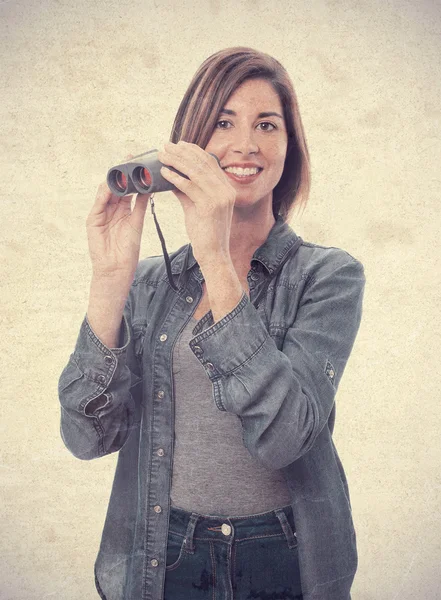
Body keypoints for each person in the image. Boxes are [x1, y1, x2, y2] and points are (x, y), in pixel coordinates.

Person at [58, 46, 366, 600]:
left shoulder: (329, 277)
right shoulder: (151, 282)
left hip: (283, 554)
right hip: (163, 552)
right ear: (189, 148)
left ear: (288, 147)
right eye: (223, 123)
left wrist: (217, 261)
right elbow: (86, 437)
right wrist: (109, 279)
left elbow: (286, 437)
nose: (246, 144)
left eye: (266, 125)